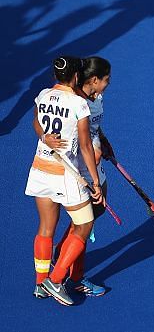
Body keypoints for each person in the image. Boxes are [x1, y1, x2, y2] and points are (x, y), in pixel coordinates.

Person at [25, 56, 104, 306]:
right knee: (84, 225)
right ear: (77, 77)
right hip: (65, 176)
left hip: (40, 170)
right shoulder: (78, 104)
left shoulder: (44, 94)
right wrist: (95, 181)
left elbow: (36, 122)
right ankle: (56, 280)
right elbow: (84, 146)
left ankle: (40, 283)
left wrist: (44, 137)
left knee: (46, 228)